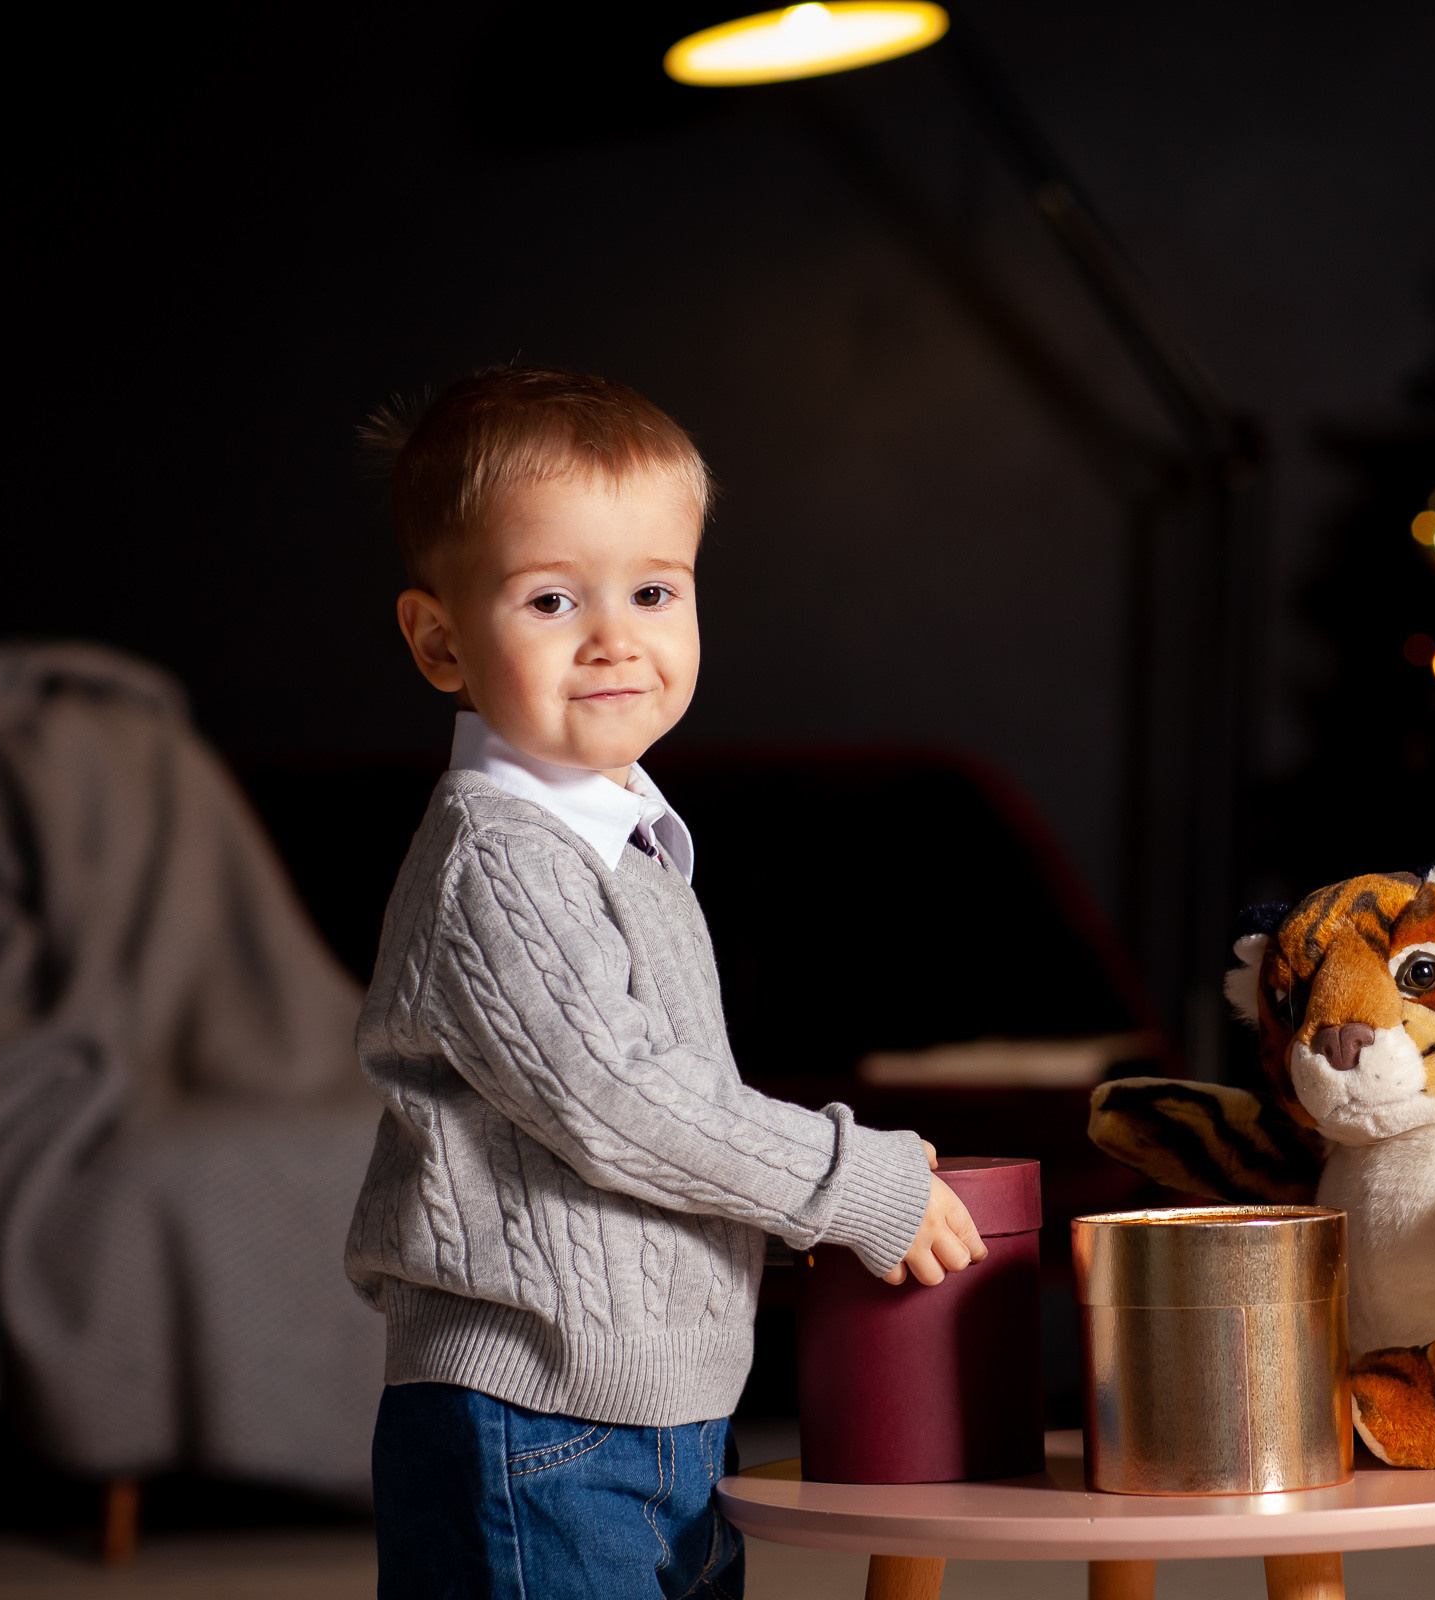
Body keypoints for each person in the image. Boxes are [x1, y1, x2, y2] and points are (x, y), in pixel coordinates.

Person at [343, 365, 984, 1599]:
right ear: (440, 641)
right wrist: (851, 1185)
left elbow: (671, 1114)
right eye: (549, 599)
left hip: (665, 1402)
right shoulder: (499, 862)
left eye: (652, 590)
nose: (614, 638)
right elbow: (621, 1101)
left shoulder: (629, 836)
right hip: (529, 1411)